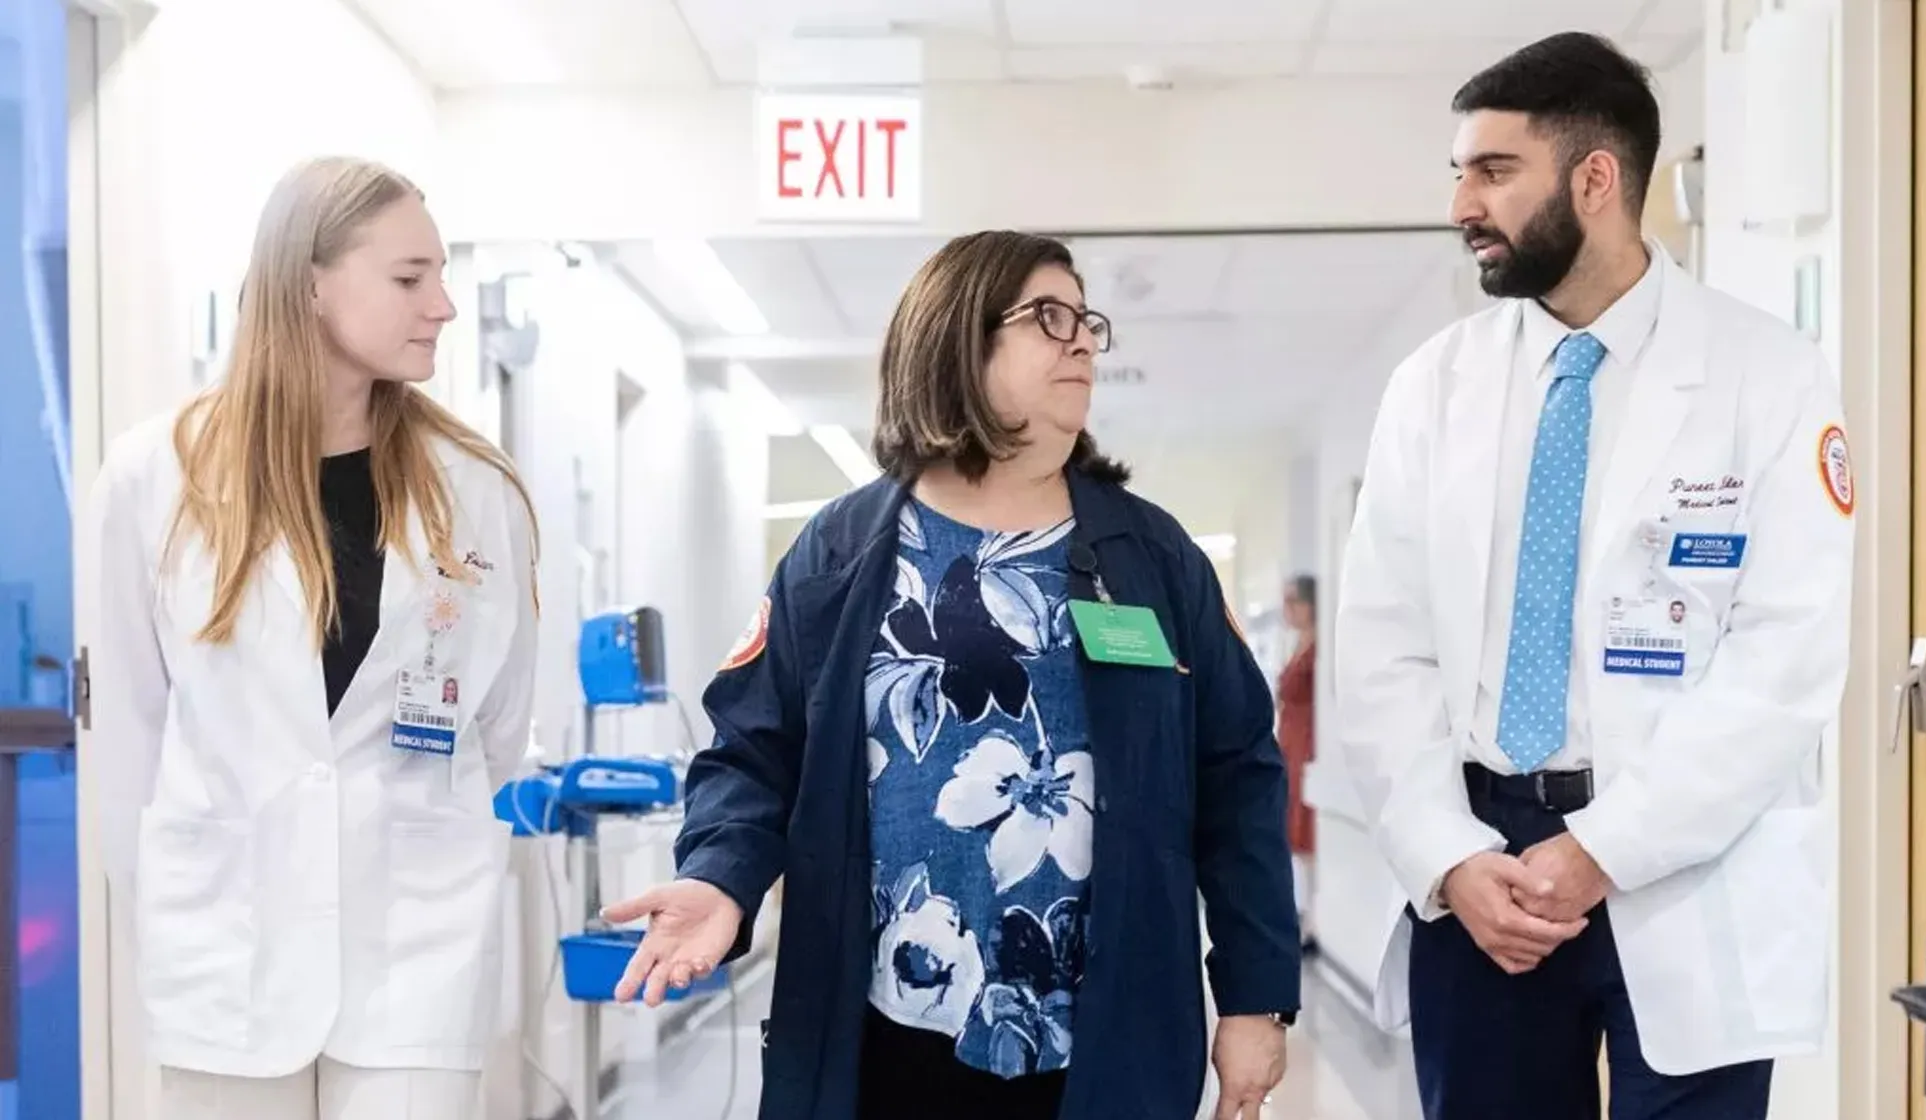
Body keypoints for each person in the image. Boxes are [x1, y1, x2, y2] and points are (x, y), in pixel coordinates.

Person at [603, 230, 1302, 1120]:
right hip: (882, 1033)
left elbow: (1239, 776)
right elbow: (752, 751)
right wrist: (719, 878)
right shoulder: (842, 553)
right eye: (1049, 317)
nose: (1083, 339)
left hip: (1108, 1035)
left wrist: (1255, 993)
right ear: (956, 339)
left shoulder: (1153, 559)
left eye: (1089, 319)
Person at [1333, 33, 1853, 1120]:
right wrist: (1446, 854)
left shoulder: (1766, 376)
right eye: (1458, 173)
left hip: (1678, 857)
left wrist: (1605, 849)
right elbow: (1382, 648)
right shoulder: (1432, 389)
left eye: (1490, 171)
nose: (1459, 204)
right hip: (1480, 866)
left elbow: (1784, 658)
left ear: (1594, 179)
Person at [87, 156, 541, 1119]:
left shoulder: (476, 488)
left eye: (442, 275)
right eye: (410, 278)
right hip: (226, 945)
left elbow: (500, 723)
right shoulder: (152, 478)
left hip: (416, 945)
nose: (444, 306)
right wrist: (179, 911)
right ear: (310, 284)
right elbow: (127, 735)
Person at [1275, 574, 1319, 956]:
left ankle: (1311, 920)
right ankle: (1300, 913)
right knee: (1293, 834)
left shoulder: (1318, 648)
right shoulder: (1299, 645)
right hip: (1290, 743)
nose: (1288, 610)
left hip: (1307, 744)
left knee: (1306, 834)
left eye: (1294, 601)